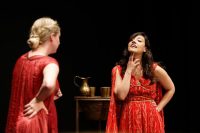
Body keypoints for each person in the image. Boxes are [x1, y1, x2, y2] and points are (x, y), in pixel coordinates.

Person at [106, 32, 175, 133]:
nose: (133, 41)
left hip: (151, 117)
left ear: (145, 49)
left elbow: (171, 88)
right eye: (131, 40)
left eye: (139, 40)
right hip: (128, 117)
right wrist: (129, 70)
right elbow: (121, 95)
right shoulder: (118, 70)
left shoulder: (154, 69)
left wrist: (157, 109)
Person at [5, 17, 62, 133]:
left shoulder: (20, 60)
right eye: (59, 37)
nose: (59, 42)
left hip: (17, 122)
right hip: (38, 123)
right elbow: (48, 84)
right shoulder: (50, 63)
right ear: (52, 36)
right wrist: (37, 100)